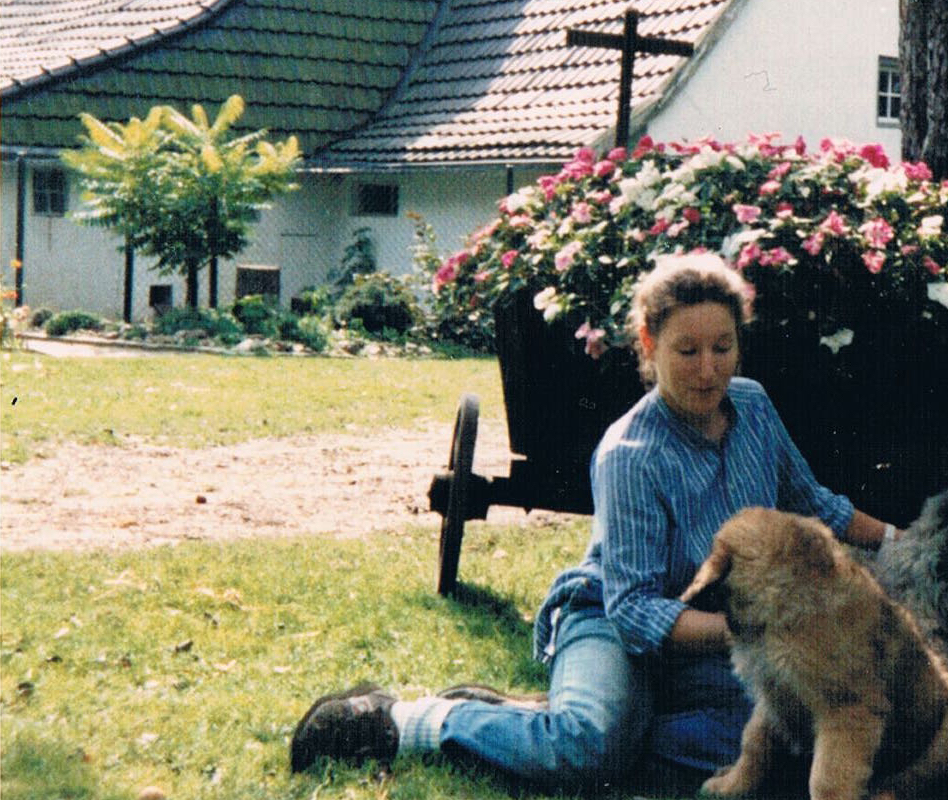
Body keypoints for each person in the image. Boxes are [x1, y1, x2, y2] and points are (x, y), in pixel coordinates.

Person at [290, 252, 896, 784]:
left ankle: (552, 717)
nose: (709, 370)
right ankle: (406, 719)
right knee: (591, 748)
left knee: (795, 738)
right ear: (649, 346)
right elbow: (632, 610)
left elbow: (816, 505)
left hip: (710, 639)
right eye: (687, 351)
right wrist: (758, 632)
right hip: (612, 622)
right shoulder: (630, 454)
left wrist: (900, 544)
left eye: (723, 347)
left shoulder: (754, 406)